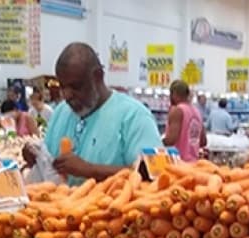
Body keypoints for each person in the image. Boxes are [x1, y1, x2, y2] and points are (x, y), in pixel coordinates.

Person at [37, 42, 162, 183]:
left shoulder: (134, 116)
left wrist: (90, 170)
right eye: (63, 86)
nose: (67, 95)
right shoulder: (60, 112)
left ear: (98, 76)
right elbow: (49, 163)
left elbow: (154, 173)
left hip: (114, 204)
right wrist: (37, 158)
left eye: (75, 86)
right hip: (59, 204)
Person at [163, 80, 205, 163]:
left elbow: (171, 140)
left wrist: (156, 143)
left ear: (174, 94)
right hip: (194, 163)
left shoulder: (177, 110)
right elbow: (203, 141)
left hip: (178, 163)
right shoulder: (197, 112)